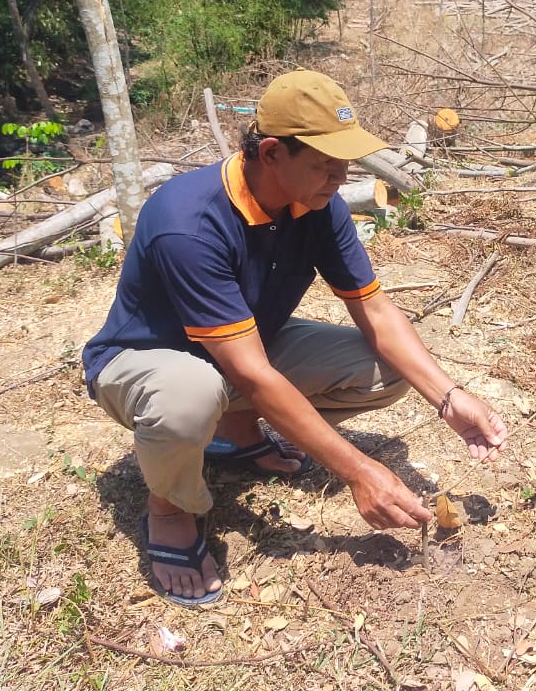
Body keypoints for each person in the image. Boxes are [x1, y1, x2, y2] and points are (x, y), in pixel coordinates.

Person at [82, 69, 508, 606]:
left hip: (241, 349)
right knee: (188, 396)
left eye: (345, 162)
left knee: (389, 367)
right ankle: (169, 509)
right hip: (146, 363)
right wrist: (358, 470)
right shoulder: (188, 222)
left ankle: (234, 434)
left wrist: (448, 398)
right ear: (270, 153)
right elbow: (252, 373)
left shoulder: (318, 207)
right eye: (324, 164)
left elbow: (373, 309)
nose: (340, 175)